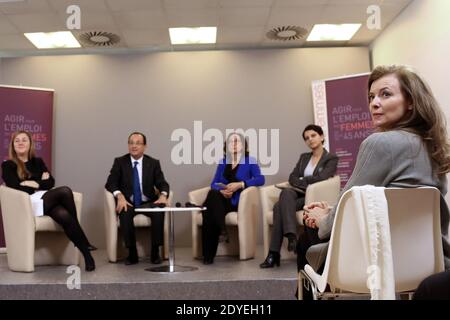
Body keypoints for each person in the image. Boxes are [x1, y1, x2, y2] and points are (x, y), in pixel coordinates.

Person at [299, 65, 450, 276]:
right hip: (429, 259)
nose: (374, 103)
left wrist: (322, 218)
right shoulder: (433, 147)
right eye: (371, 97)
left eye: (385, 94)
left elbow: (347, 205)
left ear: (411, 102)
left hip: (378, 261)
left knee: (307, 232)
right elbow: (396, 201)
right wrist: (332, 210)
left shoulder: (379, 143)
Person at [1, 131, 96, 271]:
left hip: (44, 199)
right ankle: (83, 240)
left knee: (64, 215)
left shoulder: (38, 162)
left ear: (30, 144)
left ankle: (87, 255)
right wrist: (39, 182)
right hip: (27, 204)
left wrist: (32, 183)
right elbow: (15, 187)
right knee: (64, 191)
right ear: (13, 145)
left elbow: (50, 182)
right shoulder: (8, 165)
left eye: (24, 140)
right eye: (17, 141)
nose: (20, 143)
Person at [260, 124, 338, 268]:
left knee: (279, 206)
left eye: (313, 135)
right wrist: (303, 181)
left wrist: (303, 181)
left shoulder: (331, 157)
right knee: (286, 194)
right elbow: (292, 177)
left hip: (314, 197)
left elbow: (323, 177)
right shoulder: (304, 158)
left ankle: (274, 253)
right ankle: (290, 237)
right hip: (297, 196)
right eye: (307, 138)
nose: (310, 140)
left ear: (321, 136)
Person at [105, 132, 170, 265]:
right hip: (128, 202)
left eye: (138, 143)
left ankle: (155, 252)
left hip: (148, 202)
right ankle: (132, 253)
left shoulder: (153, 163)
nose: (134, 146)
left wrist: (163, 194)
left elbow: (162, 183)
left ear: (145, 146)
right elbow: (110, 183)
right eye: (131, 143)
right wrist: (120, 195)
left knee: (159, 211)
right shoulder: (120, 162)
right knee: (124, 212)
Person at [202, 132, 265, 265]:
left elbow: (260, 179)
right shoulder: (223, 162)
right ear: (227, 146)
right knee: (212, 196)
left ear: (243, 145)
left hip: (238, 202)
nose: (234, 144)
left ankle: (208, 254)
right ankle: (222, 231)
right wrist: (223, 190)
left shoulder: (250, 161)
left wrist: (240, 185)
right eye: (231, 142)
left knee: (208, 208)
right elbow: (213, 184)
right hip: (222, 200)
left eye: (237, 141)